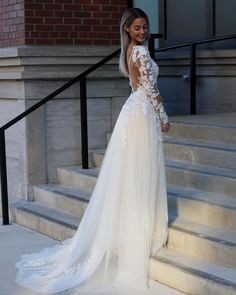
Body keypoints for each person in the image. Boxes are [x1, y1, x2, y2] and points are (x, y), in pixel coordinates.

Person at [15, 8, 170, 295]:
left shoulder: (130, 52)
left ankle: (134, 226)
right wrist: (163, 117)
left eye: (145, 26)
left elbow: (138, 86)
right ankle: (140, 229)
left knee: (133, 172)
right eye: (137, 27)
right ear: (127, 29)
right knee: (140, 170)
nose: (142, 31)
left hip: (132, 112)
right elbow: (151, 89)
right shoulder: (142, 54)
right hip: (143, 113)